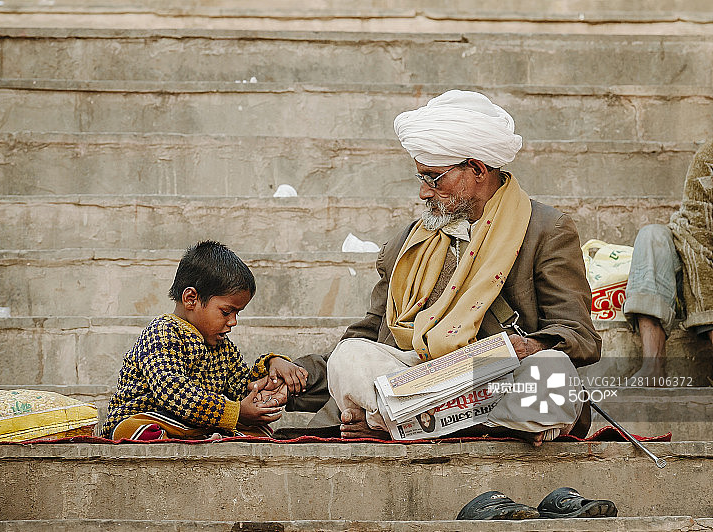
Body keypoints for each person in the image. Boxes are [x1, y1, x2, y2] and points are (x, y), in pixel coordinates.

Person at [283, 90, 602, 448]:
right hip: (417, 377)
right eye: (420, 178)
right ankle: (449, 424)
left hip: (493, 377)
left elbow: (580, 336)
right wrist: (297, 374)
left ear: (477, 170)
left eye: (434, 178)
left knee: (553, 376)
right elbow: (367, 335)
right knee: (351, 357)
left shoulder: (546, 229)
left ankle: (401, 422)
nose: (423, 192)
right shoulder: (405, 244)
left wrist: (527, 346)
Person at [101, 240, 308, 440]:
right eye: (226, 311)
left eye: (237, 313)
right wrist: (235, 413)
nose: (233, 321)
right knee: (131, 428)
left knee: (261, 431)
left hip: (196, 425)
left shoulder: (223, 347)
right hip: (152, 416)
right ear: (191, 299)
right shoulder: (162, 332)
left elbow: (240, 387)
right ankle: (186, 437)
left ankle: (197, 437)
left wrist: (271, 367)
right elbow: (173, 392)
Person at [624, 140, 713, 381]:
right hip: (696, 257)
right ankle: (654, 366)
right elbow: (699, 230)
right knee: (652, 236)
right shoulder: (709, 154)